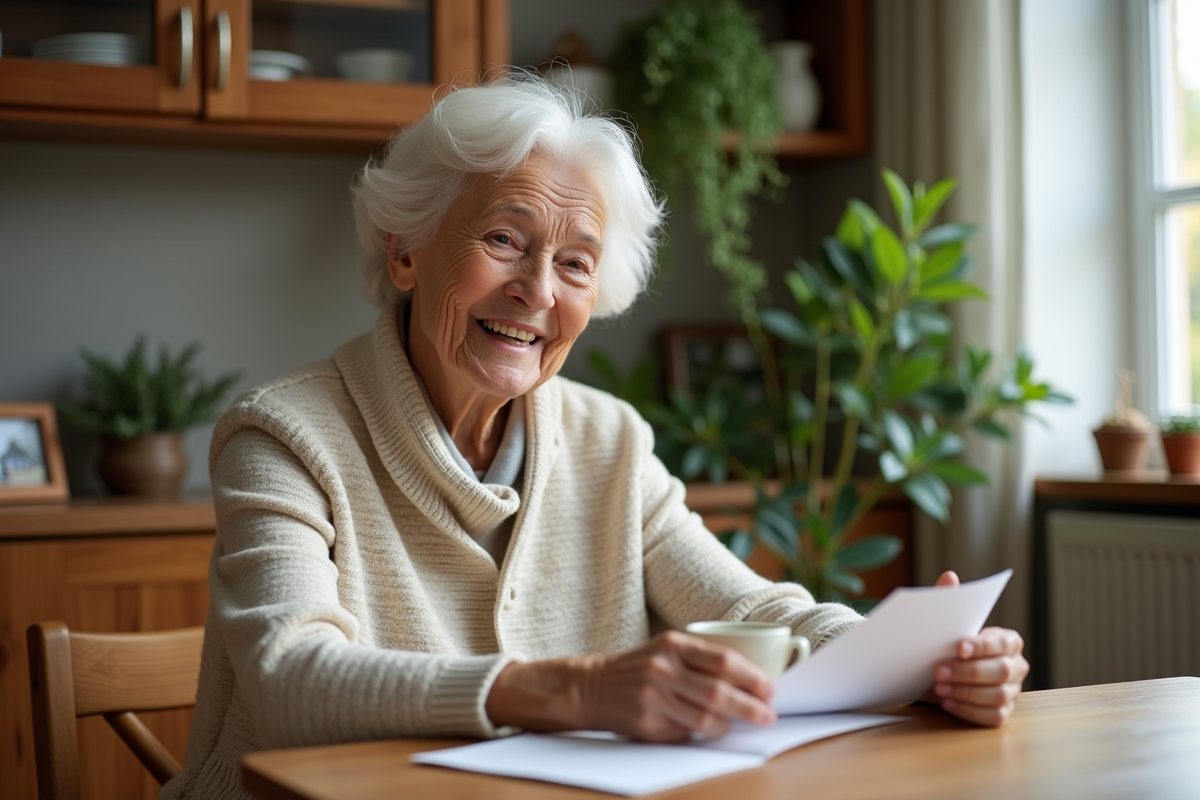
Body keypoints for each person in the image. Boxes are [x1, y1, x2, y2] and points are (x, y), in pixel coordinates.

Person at [161, 77, 1028, 799]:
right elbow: (289, 680)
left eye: (575, 262)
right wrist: (577, 690)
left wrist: (913, 659)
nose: (538, 291)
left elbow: (753, 611)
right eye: (504, 239)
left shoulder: (608, 438)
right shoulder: (284, 433)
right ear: (404, 252)